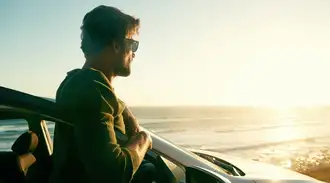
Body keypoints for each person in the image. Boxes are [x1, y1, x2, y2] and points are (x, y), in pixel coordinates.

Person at [49, 5, 153, 183]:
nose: (134, 54)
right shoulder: (92, 89)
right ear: (116, 45)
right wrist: (144, 139)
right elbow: (114, 173)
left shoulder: (79, 82)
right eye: (132, 44)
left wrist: (125, 111)